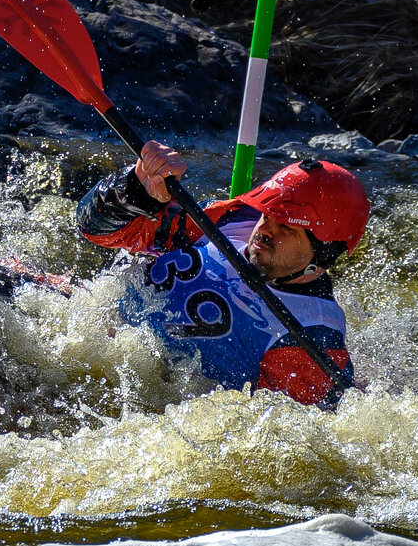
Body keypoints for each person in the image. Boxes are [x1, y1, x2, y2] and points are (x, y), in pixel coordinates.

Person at [77, 141, 371, 408]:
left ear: (324, 253)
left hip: (128, 390)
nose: (265, 230)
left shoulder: (310, 338)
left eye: (287, 227)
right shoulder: (233, 220)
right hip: (83, 317)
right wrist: (137, 188)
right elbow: (94, 229)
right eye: (268, 213)